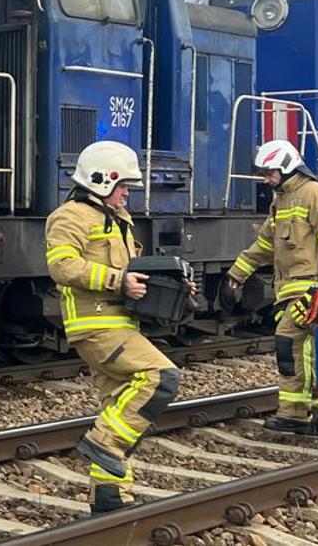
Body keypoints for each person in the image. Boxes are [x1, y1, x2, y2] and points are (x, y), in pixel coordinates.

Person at [44, 140, 186, 515]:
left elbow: (129, 273)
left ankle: (109, 494)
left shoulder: (116, 219)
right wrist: (116, 281)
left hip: (119, 321)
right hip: (96, 325)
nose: (128, 193)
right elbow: (62, 267)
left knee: (118, 402)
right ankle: (103, 443)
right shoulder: (69, 217)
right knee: (161, 376)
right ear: (102, 180)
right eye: (124, 185)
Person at [225, 139, 318, 437]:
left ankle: (296, 414)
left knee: (289, 343)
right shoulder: (281, 199)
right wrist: (238, 272)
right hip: (292, 289)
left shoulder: (315, 193)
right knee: (313, 351)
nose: (266, 179)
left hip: (312, 289)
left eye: (270, 173)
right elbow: (266, 243)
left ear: (287, 168)